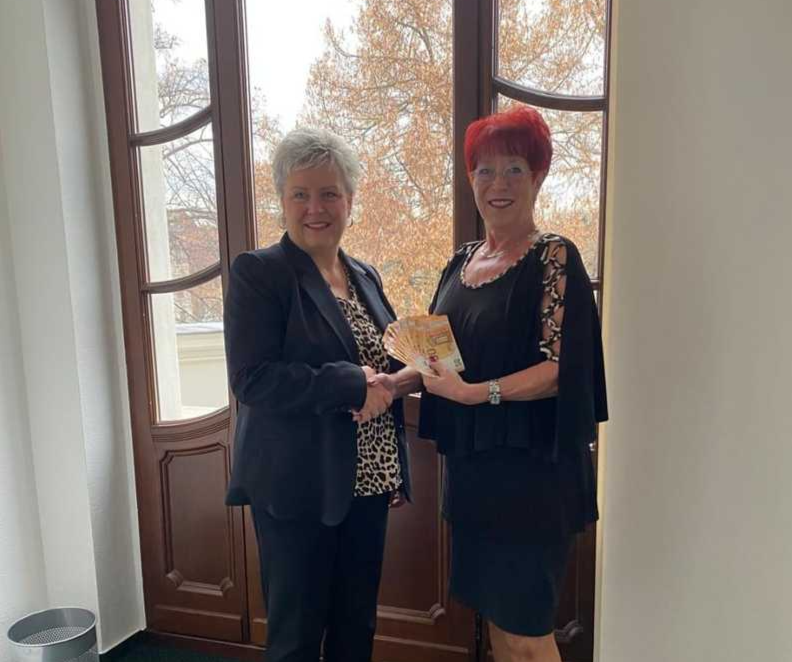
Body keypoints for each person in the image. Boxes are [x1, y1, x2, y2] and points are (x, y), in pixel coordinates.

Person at [371, 106, 607, 662]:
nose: (498, 184)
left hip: (533, 475)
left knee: (527, 632)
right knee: (497, 622)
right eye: (485, 171)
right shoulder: (461, 262)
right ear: (470, 179)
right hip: (475, 475)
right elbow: (439, 358)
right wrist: (393, 383)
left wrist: (477, 394)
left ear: (539, 177)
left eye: (515, 169)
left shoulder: (554, 256)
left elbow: (561, 369)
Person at [223, 127, 410, 662]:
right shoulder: (260, 273)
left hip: (368, 483)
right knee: (297, 638)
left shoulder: (365, 275)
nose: (315, 208)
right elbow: (253, 378)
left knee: (356, 627)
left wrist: (425, 365)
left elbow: (387, 359)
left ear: (349, 200)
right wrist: (352, 383)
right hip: (297, 486)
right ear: (282, 201)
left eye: (329, 193)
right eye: (300, 194)